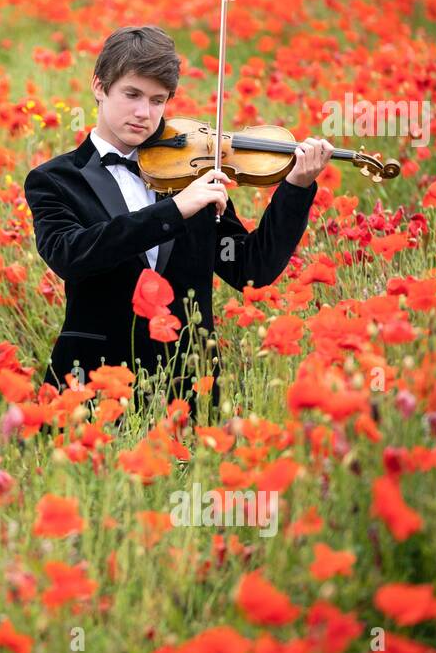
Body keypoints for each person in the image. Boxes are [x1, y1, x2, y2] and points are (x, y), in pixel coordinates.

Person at [23, 25, 331, 411]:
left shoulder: (191, 171)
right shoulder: (55, 179)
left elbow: (250, 268)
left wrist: (296, 188)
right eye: (132, 94)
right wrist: (174, 210)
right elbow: (71, 255)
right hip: (93, 385)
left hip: (187, 385)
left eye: (157, 100)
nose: (144, 113)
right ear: (100, 87)